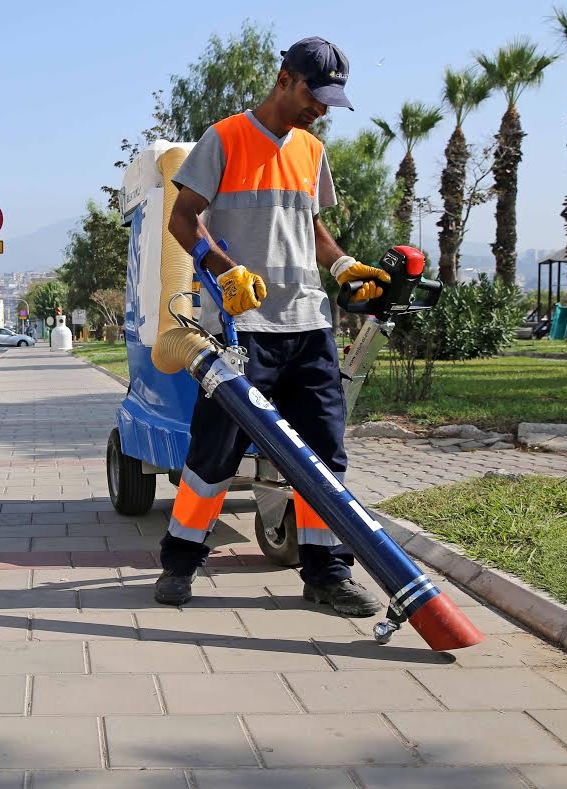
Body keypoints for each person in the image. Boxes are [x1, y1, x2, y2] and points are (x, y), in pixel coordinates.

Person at [154, 37, 392, 617]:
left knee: (322, 455)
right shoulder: (225, 137)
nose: (321, 109)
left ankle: (327, 573)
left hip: (308, 323)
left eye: (332, 100)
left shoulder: (311, 150)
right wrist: (223, 269)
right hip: (242, 327)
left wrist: (340, 264)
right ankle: (180, 564)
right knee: (215, 452)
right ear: (285, 79)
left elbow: (308, 223)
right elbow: (183, 219)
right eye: (316, 95)